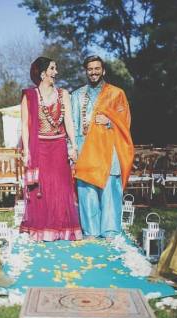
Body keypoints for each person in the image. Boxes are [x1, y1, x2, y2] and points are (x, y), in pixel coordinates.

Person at [19, 56, 82, 241]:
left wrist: (73, 145)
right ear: (43, 72)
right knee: (42, 189)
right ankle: (43, 229)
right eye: (53, 68)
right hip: (39, 148)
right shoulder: (29, 96)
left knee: (62, 187)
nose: (56, 72)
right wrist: (26, 152)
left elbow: (69, 121)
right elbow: (25, 125)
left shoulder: (63, 94)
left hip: (59, 146)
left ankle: (62, 229)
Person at [71, 55, 134, 240]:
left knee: (109, 187)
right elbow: (73, 125)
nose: (93, 72)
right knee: (87, 188)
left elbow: (126, 121)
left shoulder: (116, 93)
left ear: (103, 70)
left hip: (109, 148)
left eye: (97, 68)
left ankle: (110, 230)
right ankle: (90, 230)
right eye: (90, 69)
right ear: (86, 71)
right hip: (85, 148)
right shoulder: (77, 95)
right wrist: (72, 148)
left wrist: (110, 121)